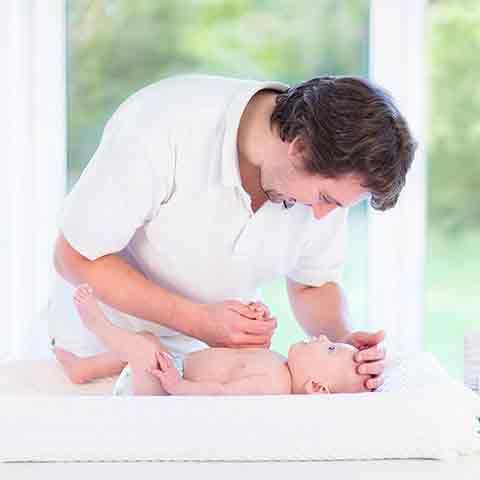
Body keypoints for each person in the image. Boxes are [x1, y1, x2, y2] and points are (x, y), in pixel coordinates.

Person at [51, 73, 417, 392]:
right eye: (324, 198)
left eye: (337, 205)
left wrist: (341, 345)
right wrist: (194, 319)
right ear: (299, 147)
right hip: (105, 359)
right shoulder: (163, 126)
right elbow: (75, 255)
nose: (323, 215)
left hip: (213, 375)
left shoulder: (331, 173)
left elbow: (312, 284)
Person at [73, 284, 373, 395]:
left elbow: (220, 392)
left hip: (164, 390)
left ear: (316, 388)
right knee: (148, 339)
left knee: (144, 349)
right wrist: (254, 320)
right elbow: (232, 358)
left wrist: (179, 387)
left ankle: (98, 325)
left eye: (331, 348)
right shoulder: (278, 363)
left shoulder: (272, 385)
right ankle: (85, 368)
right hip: (173, 367)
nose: (322, 337)